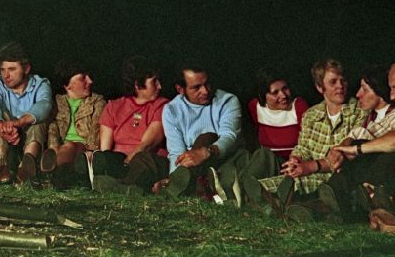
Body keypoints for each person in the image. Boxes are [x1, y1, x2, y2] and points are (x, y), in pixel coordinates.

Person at [249, 59, 362, 218]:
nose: (340, 86)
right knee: (265, 185)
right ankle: (276, 203)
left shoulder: (358, 111)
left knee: (311, 189)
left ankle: (288, 206)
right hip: (309, 173)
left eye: (343, 80)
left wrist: (310, 166)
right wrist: (296, 159)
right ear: (319, 87)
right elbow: (303, 147)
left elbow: (347, 155)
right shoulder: (312, 114)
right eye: (333, 82)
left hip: (337, 176)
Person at [321, 57, 395, 216]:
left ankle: (348, 202)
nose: (392, 96)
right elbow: (370, 132)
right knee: (366, 144)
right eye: (391, 89)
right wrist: (343, 148)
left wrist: (357, 149)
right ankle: (332, 200)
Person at [161, 64, 244, 200]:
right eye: (196, 87)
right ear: (180, 89)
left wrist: (206, 152)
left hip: (218, 158)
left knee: (207, 137)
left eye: (207, 84)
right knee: (144, 159)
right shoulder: (171, 109)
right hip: (187, 164)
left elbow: (229, 136)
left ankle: (181, 190)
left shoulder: (227, 101)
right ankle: (125, 186)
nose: (205, 91)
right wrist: (174, 175)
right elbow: (176, 151)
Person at [90, 56, 169, 193]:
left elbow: (147, 145)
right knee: (102, 158)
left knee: (142, 159)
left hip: (146, 159)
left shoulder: (162, 106)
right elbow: (105, 150)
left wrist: (125, 165)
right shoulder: (113, 107)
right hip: (120, 161)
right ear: (137, 85)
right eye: (154, 82)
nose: (159, 86)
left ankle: (120, 186)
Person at [0, 42, 52, 184]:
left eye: (12, 69)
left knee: (37, 119)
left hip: (31, 142)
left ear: (26, 68)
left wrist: (19, 122)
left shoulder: (41, 83)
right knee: (0, 117)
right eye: (2, 70)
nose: (6, 75)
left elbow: (44, 105)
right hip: (8, 143)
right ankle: (1, 166)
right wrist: (2, 128)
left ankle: (26, 168)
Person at [42, 61, 106, 189]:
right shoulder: (57, 103)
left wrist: (91, 150)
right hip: (61, 148)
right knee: (64, 147)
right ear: (68, 85)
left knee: (69, 145)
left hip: (84, 147)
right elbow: (53, 127)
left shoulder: (97, 101)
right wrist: (53, 147)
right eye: (83, 78)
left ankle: (52, 174)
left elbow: (96, 128)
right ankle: (58, 173)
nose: (90, 81)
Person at [246, 72, 309, 161]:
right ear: (263, 96)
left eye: (285, 89)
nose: (283, 95)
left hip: (296, 161)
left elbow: (309, 141)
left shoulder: (299, 106)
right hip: (268, 161)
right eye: (275, 92)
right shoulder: (255, 106)